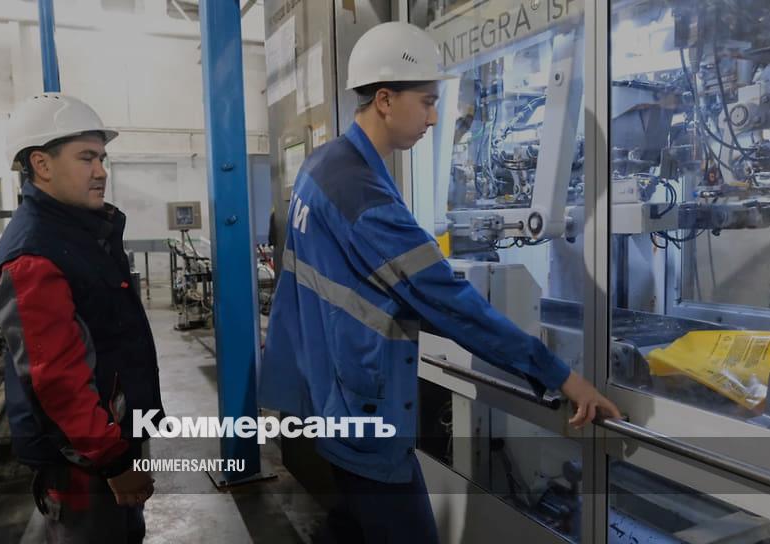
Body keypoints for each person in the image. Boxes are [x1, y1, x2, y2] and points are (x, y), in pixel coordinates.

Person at [259, 22, 620, 544]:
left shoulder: (321, 167)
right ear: (385, 100)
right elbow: (454, 305)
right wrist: (560, 375)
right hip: (365, 413)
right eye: (427, 102)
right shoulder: (365, 197)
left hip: (328, 397)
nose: (433, 117)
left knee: (351, 526)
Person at [0, 93, 165, 543]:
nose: (101, 171)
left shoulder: (80, 232)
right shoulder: (34, 254)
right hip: (86, 463)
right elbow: (58, 382)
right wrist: (113, 461)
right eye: (87, 158)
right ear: (41, 164)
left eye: (102, 158)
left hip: (111, 441)